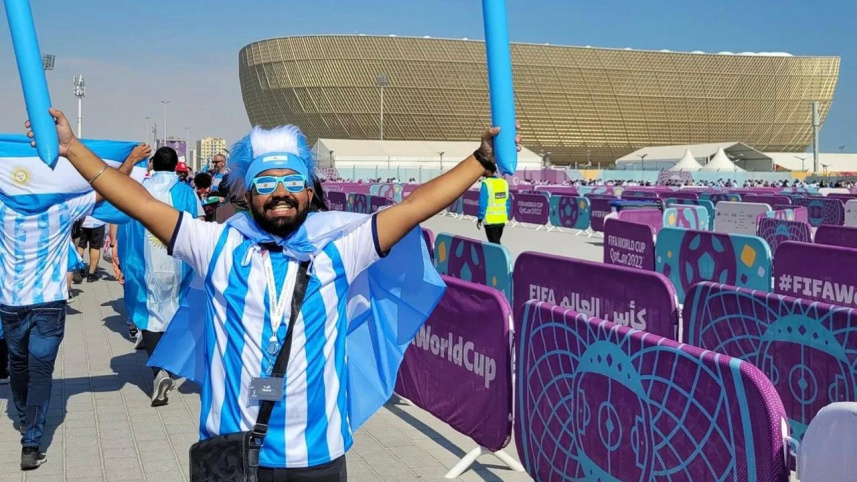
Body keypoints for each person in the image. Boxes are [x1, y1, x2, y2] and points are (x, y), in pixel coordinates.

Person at [30, 108, 519, 481]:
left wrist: (478, 161)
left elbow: (414, 208)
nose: (280, 192)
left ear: (310, 191)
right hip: (231, 452)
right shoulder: (215, 246)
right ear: (246, 191)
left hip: (318, 459)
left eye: (292, 181)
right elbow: (135, 201)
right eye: (267, 181)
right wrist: (73, 149)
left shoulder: (339, 253)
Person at [0, 139, 146, 470]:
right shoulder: (62, 207)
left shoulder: (4, 205)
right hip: (49, 303)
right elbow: (106, 186)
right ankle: (31, 443)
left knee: (18, 365)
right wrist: (132, 160)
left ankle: (24, 418)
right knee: (40, 371)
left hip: (10, 303)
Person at [118, 146, 202, 406]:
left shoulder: (138, 190)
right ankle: (171, 362)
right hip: (179, 263)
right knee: (175, 311)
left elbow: (121, 221)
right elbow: (199, 224)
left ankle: (159, 371)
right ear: (176, 166)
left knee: (149, 313)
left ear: (152, 164)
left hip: (142, 263)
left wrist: (119, 255)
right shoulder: (186, 192)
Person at [476, 173, 511, 244]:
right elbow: (507, 201)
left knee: (495, 245)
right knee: (496, 243)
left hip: (490, 220)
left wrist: (480, 218)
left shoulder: (486, 184)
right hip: (501, 219)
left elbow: (483, 204)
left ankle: (502, 255)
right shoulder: (503, 183)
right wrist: (507, 214)